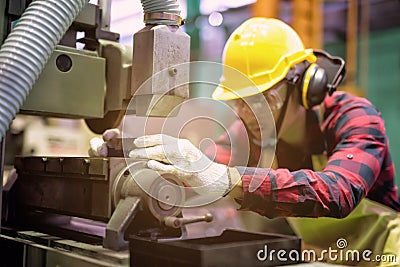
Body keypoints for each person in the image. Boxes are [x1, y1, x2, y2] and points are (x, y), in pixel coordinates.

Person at [90, 18, 400, 265]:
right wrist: (142, 159)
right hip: (321, 257)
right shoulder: (252, 136)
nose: (243, 111)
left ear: (303, 87)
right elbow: (202, 164)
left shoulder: (356, 117)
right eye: (238, 100)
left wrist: (226, 178)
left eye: (254, 100)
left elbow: (337, 192)